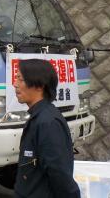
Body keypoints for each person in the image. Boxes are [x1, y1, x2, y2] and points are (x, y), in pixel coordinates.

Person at [13, 59, 80, 198]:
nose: (15, 84)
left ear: (39, 86)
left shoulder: (48, 122)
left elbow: (59, 174)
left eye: (21, 79)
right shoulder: (39, 117)